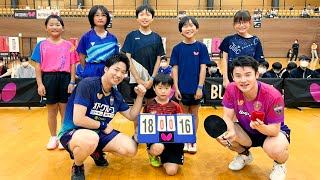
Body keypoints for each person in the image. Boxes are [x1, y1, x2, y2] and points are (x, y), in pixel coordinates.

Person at [58, 53, 146, 180]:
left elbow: (132, 116)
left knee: (131, 149)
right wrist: (103, 125)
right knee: (90, 138)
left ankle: (95, 151)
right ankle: (77, 166)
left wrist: (140, 96)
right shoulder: (87, 84)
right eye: (116, 69)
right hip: (73, 132)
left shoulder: (116, 96)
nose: (119, 75)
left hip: (97, 132)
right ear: (106, 69)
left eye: (123, 72)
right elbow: (78, 119)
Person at [215, 56, 290, 180]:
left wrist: (261, 127)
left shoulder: (273, 95)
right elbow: (227, 117)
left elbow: (274, 130)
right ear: (233, 77)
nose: (243, 80)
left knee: (275, 149)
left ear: (256, 74)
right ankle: (244, 155)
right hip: (247, 130)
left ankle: (280, 164)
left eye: (248, 75)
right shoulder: (231, 89)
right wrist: (232, 131)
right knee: (222, 133)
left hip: (271, 133)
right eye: (238, 76)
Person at [31, 15, 78, 150]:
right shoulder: (41, 45)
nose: (54, 27)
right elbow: (38, 66)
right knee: (51, 109)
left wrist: (72, 82)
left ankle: (63, 136)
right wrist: (40, 84)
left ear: (63, 28)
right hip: (49, 79)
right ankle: (53, 137)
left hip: (65, 78)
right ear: (46, 28)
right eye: (51, 24)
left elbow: (72, 65)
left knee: (64, 109)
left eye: (57, 24)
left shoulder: (69, 46)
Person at [122, 4, 165, 142]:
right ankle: (137, 132)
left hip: (151, 81)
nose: (144, 17)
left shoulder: (156, 37)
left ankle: (150, 132)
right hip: (136, 80)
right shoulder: (131, 36)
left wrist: (152, 78)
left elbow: (159, 58)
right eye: (141, 14)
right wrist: (138, 78)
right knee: (137, 107)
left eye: (147, 15)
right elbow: (127, 58)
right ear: (137, 18)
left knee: (152, 106)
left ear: (152, 18)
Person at [170, 16, 211, 153]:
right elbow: (174, 68)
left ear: (197, 28)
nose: (189, 28)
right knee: (183, 115)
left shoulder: (201, 47)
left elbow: (203, 68)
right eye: (185, 26)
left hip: (196, 89)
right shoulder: (177, 49)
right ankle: (184, 139)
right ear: (181, 31)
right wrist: (176, 87)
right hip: (182, 88)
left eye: (191, 25)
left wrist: (199, 87)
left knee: (194, 114)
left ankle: (192, 140)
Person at [143, 73, 184, 175]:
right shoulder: (148, 106)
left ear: (171, 88)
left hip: (172, 141)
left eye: (167, 88)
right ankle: (153, 154)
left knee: (171, 172)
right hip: (156, 140)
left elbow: (181, 125)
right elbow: (145, 126)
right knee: (158, 148)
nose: (163, 91)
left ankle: (167, 157)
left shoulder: (176, 106)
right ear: (154, 88)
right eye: (160, 88)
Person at [219, 10, 265, 88]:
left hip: (248, 79)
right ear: (234, 25)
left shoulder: (255, 41)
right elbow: (224, 60)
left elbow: (257, 62)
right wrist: (225, 79)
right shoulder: (228, 39)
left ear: (250, 23)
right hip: (232, 77)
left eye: (244, 22)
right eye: (238, 22)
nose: (241, 25)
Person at [77, 5, 119, 78]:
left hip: (108, 72)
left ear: (107, 18)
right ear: (92, 18)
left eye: (103, 15)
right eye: (97, 15)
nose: (100, 18)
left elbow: (116, 58)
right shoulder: (86, 37)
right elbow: (81, 57)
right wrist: (88, 69)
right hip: (91, 71)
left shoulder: (113, 38)